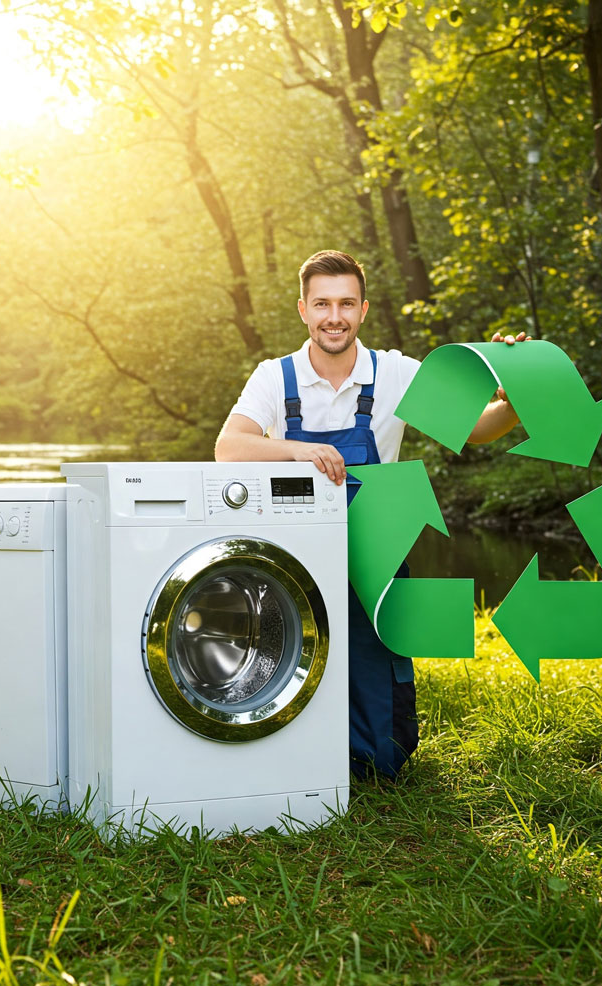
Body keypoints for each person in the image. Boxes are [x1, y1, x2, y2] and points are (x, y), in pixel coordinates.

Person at [214, 249, 526, 780]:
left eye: (345, 303)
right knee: (281, 648)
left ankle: (370, 753)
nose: (333, 315)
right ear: (303, 310)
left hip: (378, 550)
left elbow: (480, 428)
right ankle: (282, 753)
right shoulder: (274, 376)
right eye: (322, 304)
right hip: (291, 553)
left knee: (383, 740)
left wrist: (514, 394)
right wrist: (296, 450)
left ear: (363, 310)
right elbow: (229, 446)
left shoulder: (397, 373)